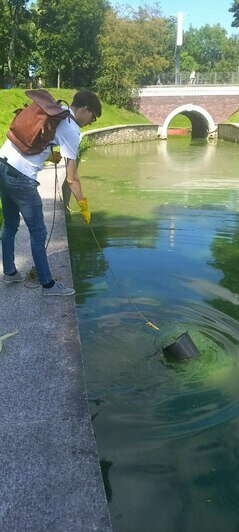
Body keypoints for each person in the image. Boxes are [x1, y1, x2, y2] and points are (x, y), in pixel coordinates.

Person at [0, 89, 102, 296]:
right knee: (38, 233)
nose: (90, 123)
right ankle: (48, 285)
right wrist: (83, 206)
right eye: (92, 118)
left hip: (2, 164)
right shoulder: (72, 129)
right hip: (22, 177)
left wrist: (47, 157)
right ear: (84, 109)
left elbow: (34, 140)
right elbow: (72, 179)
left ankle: (10, 272)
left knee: (10, 224)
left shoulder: (56, 110)